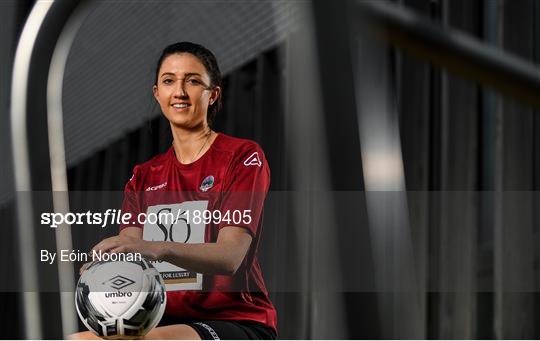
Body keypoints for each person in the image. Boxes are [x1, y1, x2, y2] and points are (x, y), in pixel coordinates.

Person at [72, 42, 277, 340]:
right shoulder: (144, 175)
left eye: (192, 81)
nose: (179, 92)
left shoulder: (242, 156)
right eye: (169, 81)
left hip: (233, 319)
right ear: (157, 93)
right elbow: (131, 245)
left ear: (213, 93)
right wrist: (104, 266)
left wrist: (159, 247)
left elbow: (230, 255)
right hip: (161, 320)